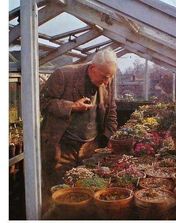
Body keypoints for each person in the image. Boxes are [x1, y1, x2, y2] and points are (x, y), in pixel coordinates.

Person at [40, 47, 118, 195]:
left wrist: (108, 138)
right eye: (105, 77)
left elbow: (111, 110)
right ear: (93, 68)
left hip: (91, 148)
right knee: (59, 191)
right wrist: (72, 106)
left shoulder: (107, 79)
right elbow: (42, 102)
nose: (107, 82)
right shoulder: (63, 75)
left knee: (86, 191)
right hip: (63, 147)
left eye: (110, 77)